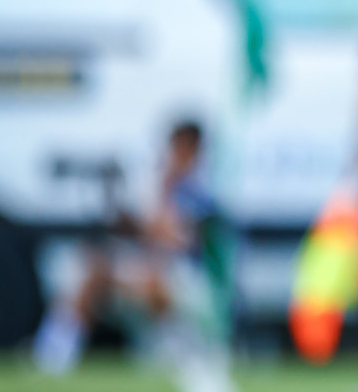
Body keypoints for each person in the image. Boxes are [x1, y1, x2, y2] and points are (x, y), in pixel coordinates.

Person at [33, 119, 224, 371]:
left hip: (190, 279)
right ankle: (54, 352)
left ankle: (182, 346)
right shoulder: (152, 183)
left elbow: (180, 241)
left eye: (186, 148)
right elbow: (139, 230)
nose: (178, 155)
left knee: (153, 281)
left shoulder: (200, 192)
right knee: (94, 268)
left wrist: (150, 226)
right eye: (176, 147)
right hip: (153, 269)